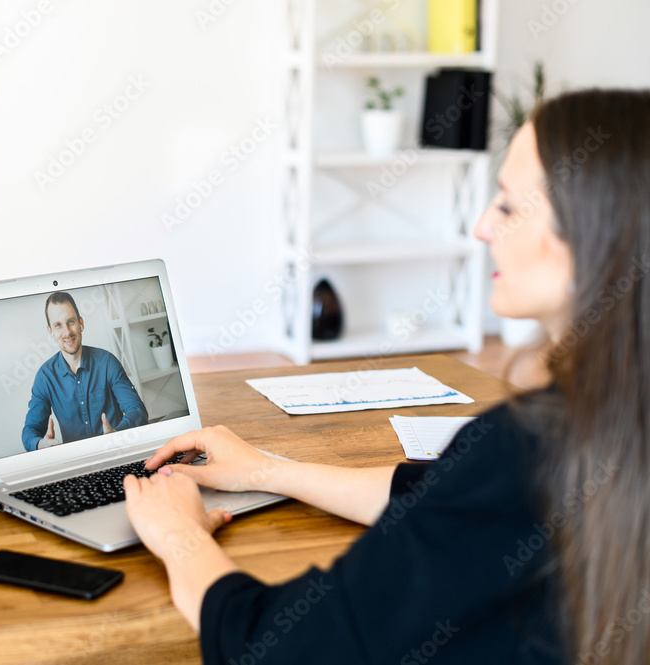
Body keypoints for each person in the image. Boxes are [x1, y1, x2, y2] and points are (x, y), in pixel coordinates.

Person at [125, 89, 650, 665]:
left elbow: (279, 647)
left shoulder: (527, 450)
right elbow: (444, 499)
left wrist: (179, 535)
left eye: (505, 205)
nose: (480, 227)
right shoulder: (609, 427)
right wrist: (266, 469)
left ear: (590, 233)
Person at [22, 291, 148, 451]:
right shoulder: (45, 377)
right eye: (58, 325)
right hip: (77, 463)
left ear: (81, 323)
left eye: (71, 321)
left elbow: (137, 410)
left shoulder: (107, 362)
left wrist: (116, 434)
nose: (67, 332)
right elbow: (30, 431)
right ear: (50, 332)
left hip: (118, 451)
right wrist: (40, 444)